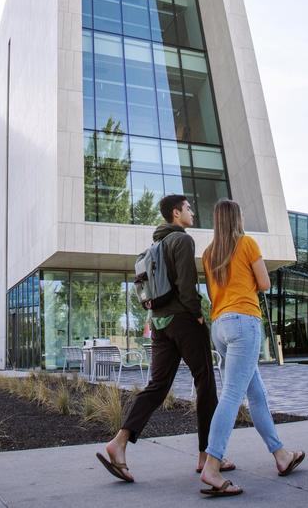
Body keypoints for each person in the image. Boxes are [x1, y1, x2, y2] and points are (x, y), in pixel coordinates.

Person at [97, 194, 232, 482]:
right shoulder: (182, 240)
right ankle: (205, 456)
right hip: (184, 321)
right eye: (188, 208)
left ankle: (119, 442)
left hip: (158, 323)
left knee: (157, 386)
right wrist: (197, 314)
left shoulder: (154, 245)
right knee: (205, 383)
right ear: (175, 213)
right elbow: (186, 284)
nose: (192, 212)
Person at [198, 199, 304, 497]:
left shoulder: (208, 254)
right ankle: (212, 464)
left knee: (256, 394)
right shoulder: (247, 243)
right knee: (233, 395)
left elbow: (212, 293)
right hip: (244, 322)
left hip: (219, 326)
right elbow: (265, 283)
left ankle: (281, 455)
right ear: (236, 219)